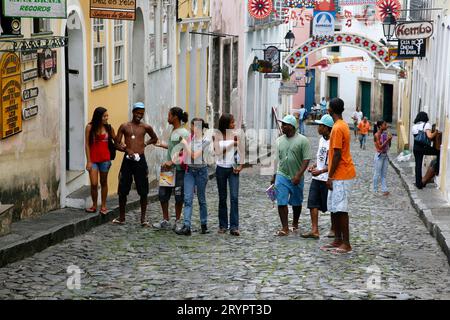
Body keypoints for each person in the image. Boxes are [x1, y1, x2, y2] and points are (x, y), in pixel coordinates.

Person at [113, 102, 158, 226]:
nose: (139, 115)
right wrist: (127, 150)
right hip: (127, 160)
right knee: (123, 190)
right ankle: (122, 217)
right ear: (133, 112)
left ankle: (143, 219)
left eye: (142, 114)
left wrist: (145, 144)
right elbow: (116, 143)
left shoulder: (146, 127)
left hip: (140, 160)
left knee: (143, 190)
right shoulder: (124, 126)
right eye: (138, 113)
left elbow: (155, 138)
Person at [321, 98, 356, 254]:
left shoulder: (337, 128)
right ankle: (338, 240)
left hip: (341, 173)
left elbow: (336, 154)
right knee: (334, 208)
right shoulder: (342, 125)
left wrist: (330, 176)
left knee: (341, 209)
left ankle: (346, 243)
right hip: (339, 173)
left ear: (330, 110)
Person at [271, 115, 311, 236]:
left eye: (285, 124)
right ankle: (285, 227)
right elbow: (276, 159)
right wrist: (274, 175)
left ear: (292, 126)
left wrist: (298, 175)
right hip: (282, 174)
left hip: (296, 176)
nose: (282, 126)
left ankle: (295, 223)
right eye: (282, 124)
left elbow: (306, 159)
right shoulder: (278, 140)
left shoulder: (303, 140)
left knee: (296, 202)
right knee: (281, 201)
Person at [154, 107, 190, 230]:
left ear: (175, 117)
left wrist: (172, 161)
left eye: (169, 115)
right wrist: (162, 144)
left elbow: (184, 150)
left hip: (179, 169)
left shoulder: (183, 133)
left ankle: (178, 221)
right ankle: (165, 220)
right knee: (163, 194)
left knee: (179, 196)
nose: (167, 117)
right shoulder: (174, 130)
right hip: (168, 170)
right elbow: (173, 147)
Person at [176, 118, 211, 236]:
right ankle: (187, 226)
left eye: (193, 127)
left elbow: (195, 155)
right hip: (189, 171)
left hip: (201, 171)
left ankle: (204, 224)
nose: (191, 129)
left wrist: (185, 145)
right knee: (187, 199)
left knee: (201, 199)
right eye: (191, 127)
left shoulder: (206, 141)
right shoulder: (189, 139)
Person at [302, 114, 334, 239]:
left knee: (330, 205)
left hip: (327, 178)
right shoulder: (322, 140)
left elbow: (333, 162)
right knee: (312, 203)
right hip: (317, 177)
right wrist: (314, 166)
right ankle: (314, 230)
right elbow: (321, 159)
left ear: (327, 128)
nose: (318, 128)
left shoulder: (333, 141)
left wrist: (321, 172)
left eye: (320, 126)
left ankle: (333, 228)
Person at [213, 113, 244, 236]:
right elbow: (218, 152)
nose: (234, 124)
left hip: (233, 169)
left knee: (234, 197)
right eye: (232, 122)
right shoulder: (217, 135)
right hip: (221, 168)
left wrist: (241, 166)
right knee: (222, 198)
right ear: (226, 124)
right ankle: (223, 225)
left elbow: (241, 151)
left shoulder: (236, 135)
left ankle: (234, 226)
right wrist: (231, 144)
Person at [85, 107, 119, 215]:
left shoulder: (109, 128)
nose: (106, 118)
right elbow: (87, 145)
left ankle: (103, 205)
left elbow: (117, 141)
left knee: (103, 182)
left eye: (107, 116)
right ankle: (94, 205)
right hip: (93, 160)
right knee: (94, 184)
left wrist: (126, 146)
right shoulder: (89, 127)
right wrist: (88, 161)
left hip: (105, 159)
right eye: (104, 116)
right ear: (98, 117)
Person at [412, 111, 440, 189]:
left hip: (416, 147)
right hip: (423, 147)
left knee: (418, 165)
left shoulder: (414, 126)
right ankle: (437, 168)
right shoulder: (426, 125)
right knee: (438, 152)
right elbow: (430, 136)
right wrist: (436, 132)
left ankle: (419, 184)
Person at [373, 120, 392, 196]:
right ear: (380, 126)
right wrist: (387, 140)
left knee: (384, 174)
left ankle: (384, 189)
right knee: (377, 173)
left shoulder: (385, 134)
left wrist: (390, 140)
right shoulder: (377, 135)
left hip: (385, 156)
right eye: (385, 124)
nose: (386, 126)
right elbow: (380, 147)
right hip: (379, 156)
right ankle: (375, 189)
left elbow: (388, 146)